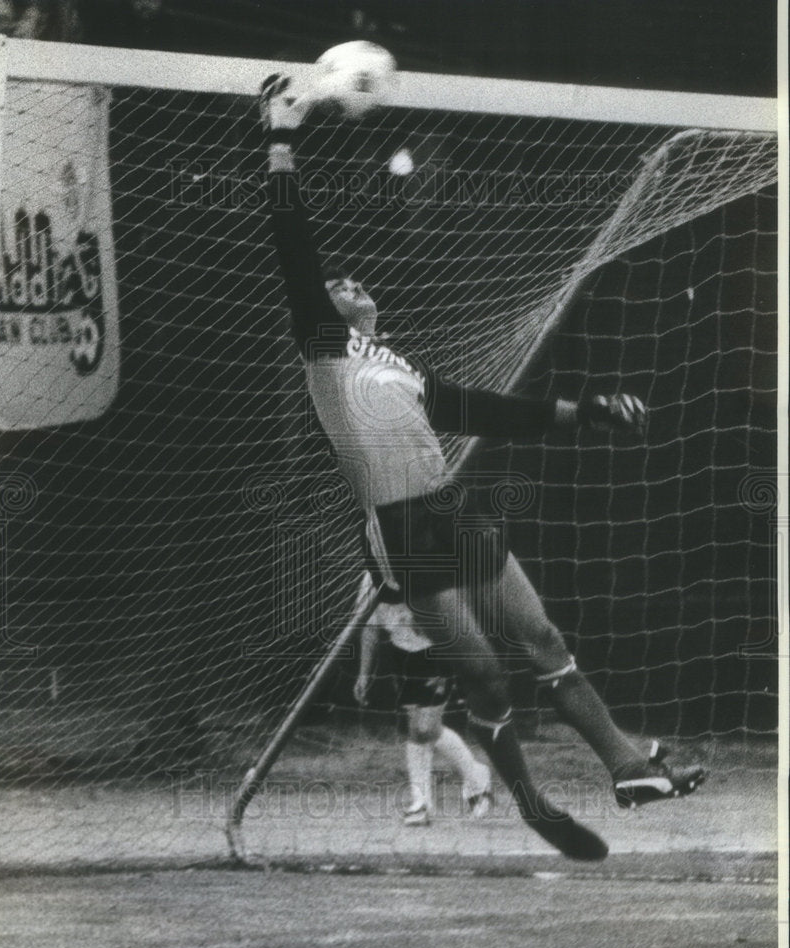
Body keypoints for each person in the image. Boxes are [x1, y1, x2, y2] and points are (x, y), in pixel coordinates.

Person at [259, 75, 706, 861]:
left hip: (452, 507)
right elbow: (296, 252)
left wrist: (585, 412)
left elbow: (481, 409)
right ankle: (530, 801)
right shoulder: (324, 348)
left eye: (355, 283)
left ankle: (629, 767)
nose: (344, 284)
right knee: (490, 684)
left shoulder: (393, 363)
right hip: (404, 529)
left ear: (374, 309)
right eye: (336, 284)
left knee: (542, 639)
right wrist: (281, 140)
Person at [355, 571, 492, 826]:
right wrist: (364, 674)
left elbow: (455, 606)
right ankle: (423, 803)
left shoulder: (421, 567)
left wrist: (430, 620)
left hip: (436, 650)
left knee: (425, 727)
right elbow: (369, 628)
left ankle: (474, 777)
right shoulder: (369, 579)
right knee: (417, 730)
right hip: (402, 655)